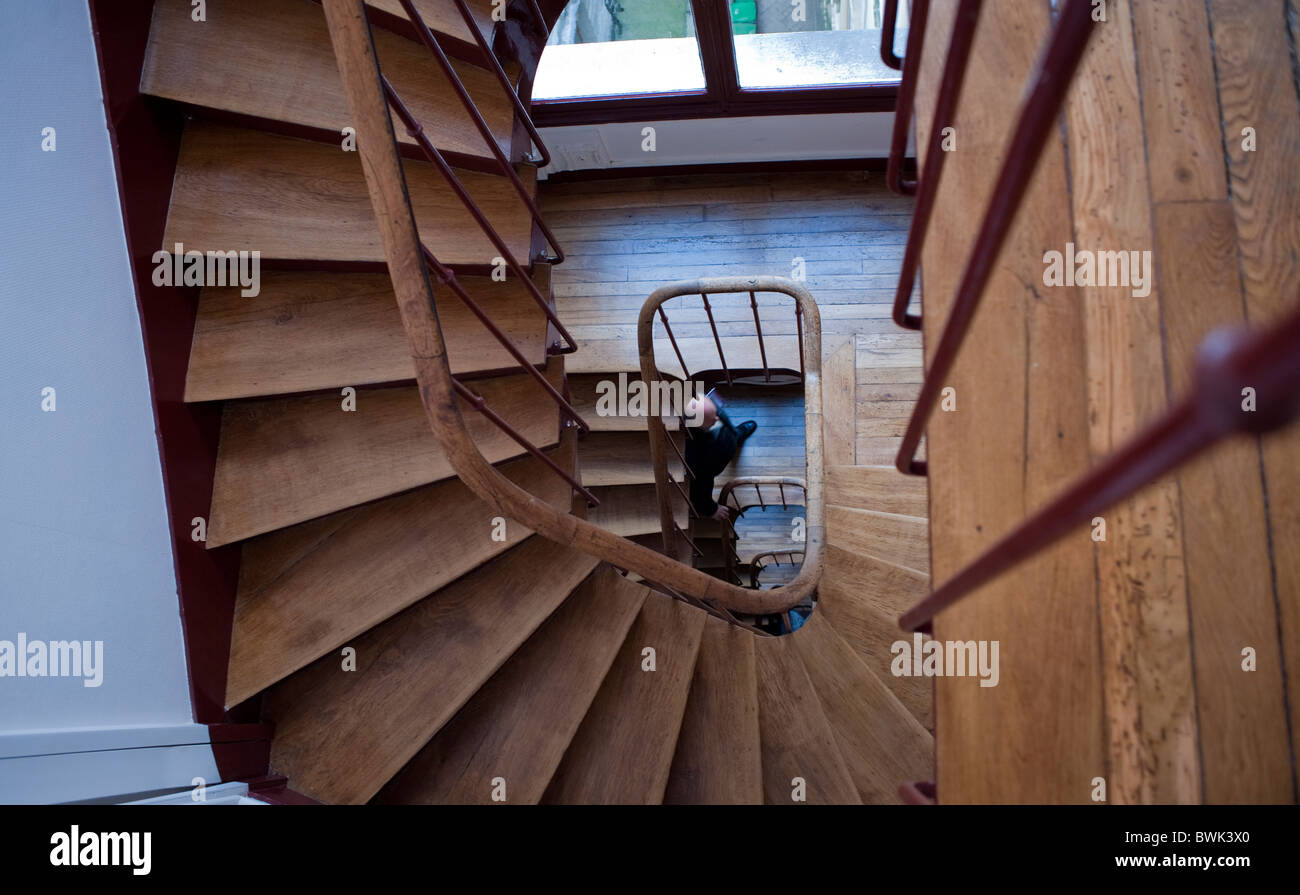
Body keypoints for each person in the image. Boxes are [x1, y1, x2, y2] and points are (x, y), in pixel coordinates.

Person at [683, 391, 758, 522]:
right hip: (718, 458)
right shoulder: (697, 458)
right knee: (729, 441)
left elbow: (714, 414)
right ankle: (735, 437)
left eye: (716, 413)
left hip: (727, 437)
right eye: (712, 419)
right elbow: (700, 489)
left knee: (732, 434)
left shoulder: (700, 407)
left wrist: (714, 405)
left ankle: (737, 434)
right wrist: (711, 509)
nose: (717, 418)